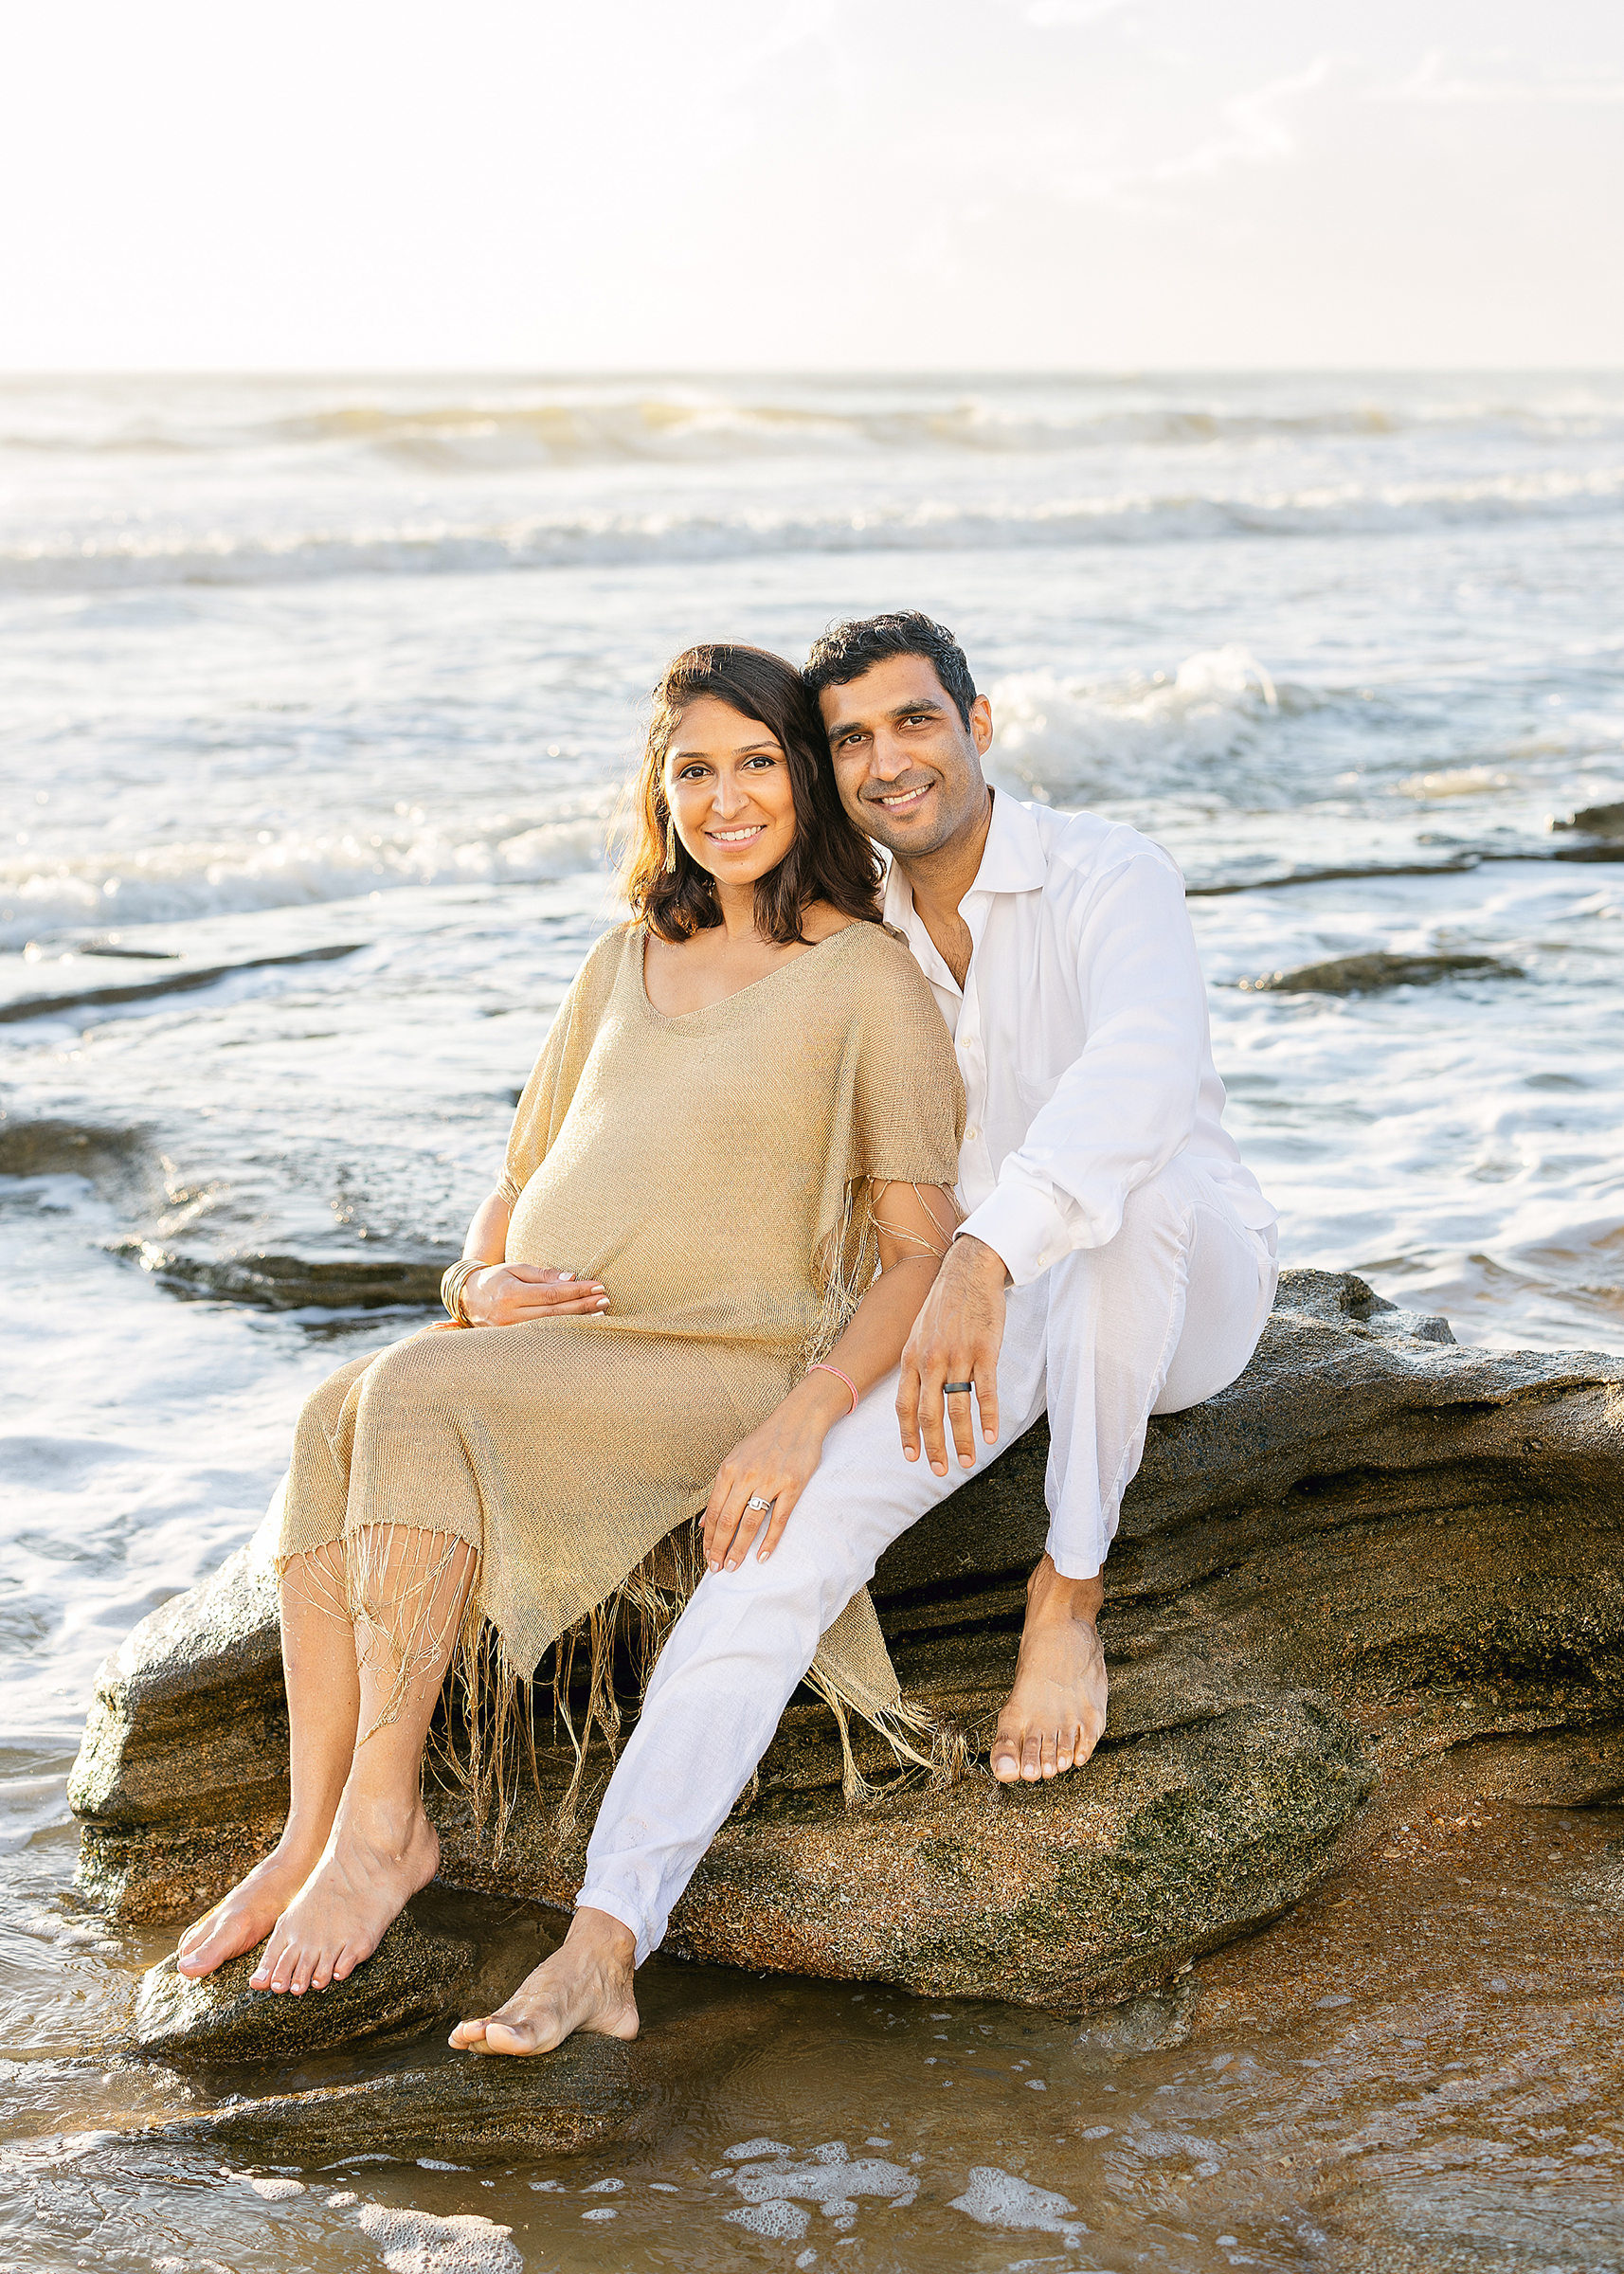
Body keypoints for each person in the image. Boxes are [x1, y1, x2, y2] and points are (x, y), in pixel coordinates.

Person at [464, 611, 1278, 2059]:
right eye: (850, 740)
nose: (887, 762)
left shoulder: (1106, 874)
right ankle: (605, 1938)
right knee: (776, 1543)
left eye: (915, 722)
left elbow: (1139, 1085)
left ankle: (1065, 1598)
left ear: (980, 720)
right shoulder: (852, 944)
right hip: (989, 1314)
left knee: (1127, 1198)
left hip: (1177, 1286)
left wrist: (978, 1249)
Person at [172, 641, 965, 2002]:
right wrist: (474, 1289)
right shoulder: (621, 959)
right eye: (691, 772)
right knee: (329, 1412)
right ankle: (312, 1829)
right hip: (560, 1351)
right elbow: (512, 1186)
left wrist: (800, 1419)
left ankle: (385, 1825)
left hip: (723, 1363)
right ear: (658, 795)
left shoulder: (865, 984)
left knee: (412, 1400)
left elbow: (918, 1252)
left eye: (758, 763)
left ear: (808, 781)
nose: (724, 800)